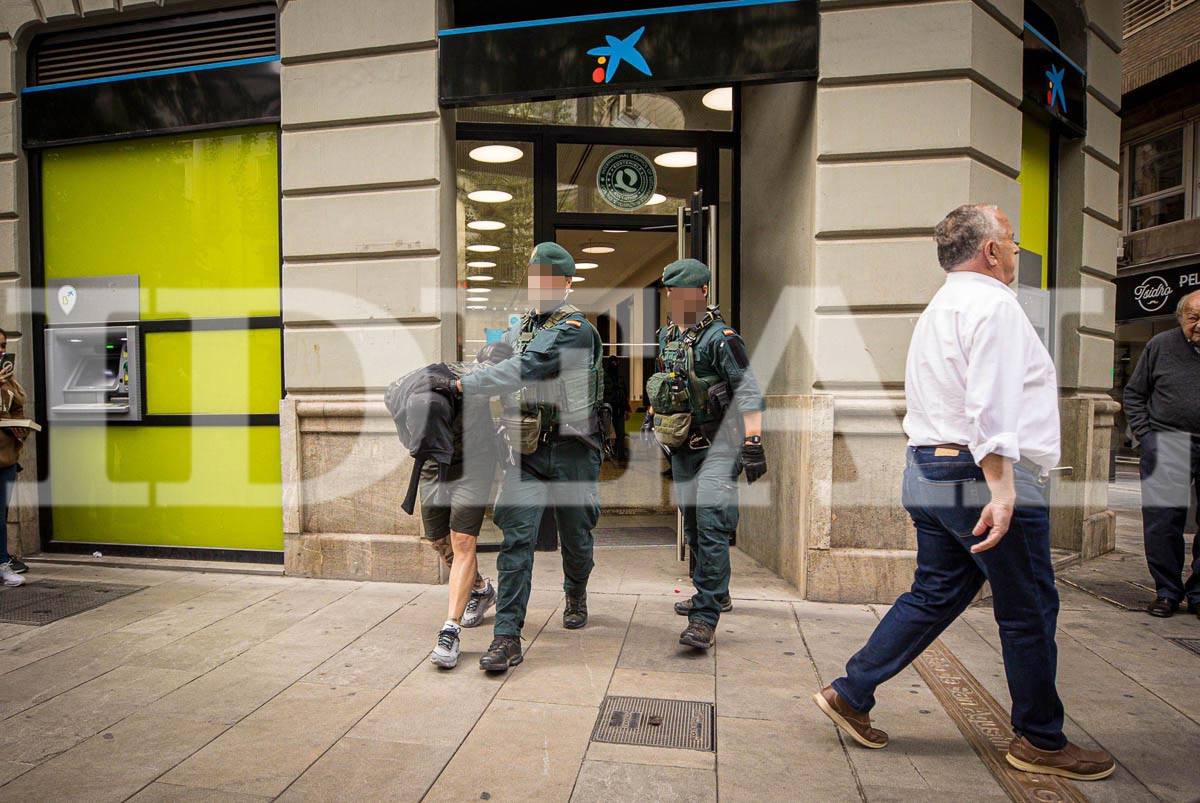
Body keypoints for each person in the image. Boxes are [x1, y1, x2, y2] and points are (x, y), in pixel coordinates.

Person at [813, 204, 1115, 781]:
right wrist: (1002, 491)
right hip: (978, 475)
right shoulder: (994, 306)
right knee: (1027, 608)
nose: (1018, 251)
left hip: (929, 469)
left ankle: (852, 691)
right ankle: (1041, 741)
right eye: (1012, 241)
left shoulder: (940, 306)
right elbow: (991, 406)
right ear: (991, 250)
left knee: (936, 593)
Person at [422, 242, 605, 672]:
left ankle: (575, 589)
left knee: (576, 539)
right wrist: (471, 366)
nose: (538, 286)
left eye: (548, 279)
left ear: (566, 283)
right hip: (528, 453)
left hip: (573, 453)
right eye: (534, 277)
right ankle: (507, 637)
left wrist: (472, 383)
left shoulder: (576, 329)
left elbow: (527, 367)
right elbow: (494, 356)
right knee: (516, 540)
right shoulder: (521, 326)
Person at [644, 259, 765, 650]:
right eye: (670, 293)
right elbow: (666, 382)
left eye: (683, 293)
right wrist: (653, 415)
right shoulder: (667, 336)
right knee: (694, 527)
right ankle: (713, 592)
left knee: (712, 526)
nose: (676, 299)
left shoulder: (722, 338)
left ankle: (705, 618)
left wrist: (753, 442)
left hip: (719, 446)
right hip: (683, 448)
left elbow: (747, 390)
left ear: (703, 292)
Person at [422, 341, 512, 669]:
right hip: (436, 465)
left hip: (475, 466)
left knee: (463, 542)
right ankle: (481, 588)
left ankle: (450, 631)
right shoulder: (453, 380)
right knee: (438, 541)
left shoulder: (501, 393)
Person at [1122, 289, 1200, 619]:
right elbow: (1135, 394)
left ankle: (1198, 594)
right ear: (1181, 317)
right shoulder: (1160, 346)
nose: (1199, 325)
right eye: (1193, 317)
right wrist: (1146, 436)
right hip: (1167, 441)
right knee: (1162, 522)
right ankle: (1167, 591)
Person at [0, 327, 31, 588]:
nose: (1, 351)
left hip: (7, 455)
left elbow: (19, 405)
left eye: (3, 345)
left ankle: (2, 563)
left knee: (1, 512)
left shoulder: (9, 379)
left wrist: (22, 429)